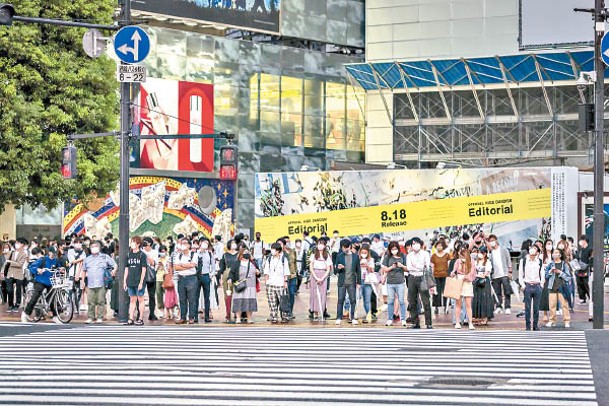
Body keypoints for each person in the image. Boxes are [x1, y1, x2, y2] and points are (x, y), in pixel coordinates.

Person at [21, 247, 61, 324]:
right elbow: (31, 267)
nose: (54, 255)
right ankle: (25, 314)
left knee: (52, 298)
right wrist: (37, 270)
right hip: (40, 281)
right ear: (49, 252)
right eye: (53, 253)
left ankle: (55, 316)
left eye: (55, 253)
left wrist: (61, 269)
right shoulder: (43, 260)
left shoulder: (56, 261)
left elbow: (58, 269)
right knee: (35, 296)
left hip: (50, 281)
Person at [83, 241, 116, 324]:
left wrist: (113, 272)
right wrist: (82, 281)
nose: (94, 248)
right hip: (90, 283)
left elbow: (114, 265)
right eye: (92, 246)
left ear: (99, 247)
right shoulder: (87, 259)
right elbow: (84, 270)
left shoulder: (105, 257)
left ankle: (100, 317)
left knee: (101, 300)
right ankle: (91, 317)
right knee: (90, 301)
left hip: (101, 282)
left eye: (96, 246)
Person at [228, 245, 259, 324]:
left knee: (250, 301)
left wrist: (258, 273)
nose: (247, 254)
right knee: (239, 300)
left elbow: (258, 273)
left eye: (248, 253)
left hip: (251, 285)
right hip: (240, 285)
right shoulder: (236, 263)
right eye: (245, 253)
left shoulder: (253, 263)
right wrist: (230, 279)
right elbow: (232, 272)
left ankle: (249, 318)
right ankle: (238, 318)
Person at [172, 238, 199, 325]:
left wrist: (182, 265)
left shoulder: (194, 255)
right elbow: (176, 267)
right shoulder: (178, 255)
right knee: (182, 299)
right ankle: (183, 317)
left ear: (189, 245)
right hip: (181, 278)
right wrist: (186, 266)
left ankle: (191, 317)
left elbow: (193, 265)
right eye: (181, 243)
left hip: (191, 278)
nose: (182, 245)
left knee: (192, 299)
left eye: (184, 243)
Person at [334, 239, 361, 325]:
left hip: (352, 282)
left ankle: (352, 317)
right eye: (342, 248)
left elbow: (358, 270)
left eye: (346, 247)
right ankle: (338, 318)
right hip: (342, 282)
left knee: (353, 300)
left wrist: (359, 282)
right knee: (340, 300)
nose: (344, 249)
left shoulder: (355, 257)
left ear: (350, 246)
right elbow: (335, 271)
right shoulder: (339, 256)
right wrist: (339, 268)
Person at [381, 241, 407, 327]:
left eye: (395, 249)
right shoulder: (387, 257)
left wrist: (401, 266)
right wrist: (392, 267)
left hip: (400, 282)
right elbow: (385, 269)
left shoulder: (403, 256)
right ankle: (390, 318)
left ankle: (403, 319)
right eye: (392, 249)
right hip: (390, 282)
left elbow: (407, 268)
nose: (394, 251)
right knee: (390, 301)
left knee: (401, 301)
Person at [519, 245, 544, 331]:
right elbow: (520, 274)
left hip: (537, 285)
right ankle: (528, 326)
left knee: (536, 308)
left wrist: (541, 285)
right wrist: (523, 285)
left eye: (534, 255)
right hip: (528, 285)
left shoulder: (539, 261)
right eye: (531, 254)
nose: (532, 256)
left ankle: (535, 325)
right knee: (527, 308)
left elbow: (542, 274)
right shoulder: (524, 261)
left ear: (537, 254)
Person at [545, 248, 572, 328]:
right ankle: (552, 321)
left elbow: (568, 277)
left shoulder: (564, 265)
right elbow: (546, 276)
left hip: (562, 287)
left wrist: (560, 272)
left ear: (560, 255)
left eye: (556, 252)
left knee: (564, 305)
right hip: (552, 286)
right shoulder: (550, 264)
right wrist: (550, 272)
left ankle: (566, 321)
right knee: (552, 305)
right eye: (554, 253)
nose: (554, 254)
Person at [263, 242, 290, 323]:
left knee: (282, 301)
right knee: (272, 301)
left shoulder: (283, 259)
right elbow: (266, 271)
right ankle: (274, 316)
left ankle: (284, 316)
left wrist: (285, 282)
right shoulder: (269, 259)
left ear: (278, 251)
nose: (272, 250)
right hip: (270, 284)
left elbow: (286, 272)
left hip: (280, 284)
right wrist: (266, 282)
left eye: (273, 249)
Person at [124, 236, 148, 326]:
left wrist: (141, 282)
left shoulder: (142, 255)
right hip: (130, 280)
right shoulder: (129, 254)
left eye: (134, 242)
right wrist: (124, 281)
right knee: (132, 300)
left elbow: (144, 269)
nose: (132, 244)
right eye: (131, 242)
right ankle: (131, 318)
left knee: (140, 299)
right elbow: (126, 268)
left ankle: (140, 318)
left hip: (138, 281)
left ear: (138, 244)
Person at [451, 245, 476, 330]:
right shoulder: (458, 261)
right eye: (460, 254)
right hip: (459, 282)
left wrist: (467, 277)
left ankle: (470, 322)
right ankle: (457, 322)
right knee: (458, 304)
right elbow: (454, 271)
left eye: (463, 254)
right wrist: (453, 273)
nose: (461, 256)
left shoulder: (471, 261)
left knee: (468, 304)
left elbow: (473, 273)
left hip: (467, 283)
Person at [487, 234, 512, 315]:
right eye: (490, 241)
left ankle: (507, 307)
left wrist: (509, 271)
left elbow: (508, 260)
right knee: (497, 292)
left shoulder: (503, 249)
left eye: (493, 240)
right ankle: (498, 306)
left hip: (504, 274)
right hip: (495, 275)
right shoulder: (491, 253)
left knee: (507, 291)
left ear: (496, 240)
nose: (492, 242)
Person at [309, 239, 332, 321]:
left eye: (322, 244)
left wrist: (322, 278)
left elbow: (328, 269)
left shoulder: (327, 256)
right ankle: (314, 312)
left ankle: (320, 312)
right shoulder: (313, 255)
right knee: (314, 294)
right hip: (314, 275)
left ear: (325, 246)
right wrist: (316, 277)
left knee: (322, 295)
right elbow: (311, 267)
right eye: (319, 244)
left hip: (323, 275)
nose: (320, 246)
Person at [5, 237, 28, 313]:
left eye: (18, 243)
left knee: (18, 290)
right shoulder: (11, 252)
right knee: (9, 290)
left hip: (18, 274)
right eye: (16, 243)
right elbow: (6, 263)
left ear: (22, 245)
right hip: (10, 273)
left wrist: (11, 262)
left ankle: (17, 305)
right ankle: (10, 305)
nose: (16, 244)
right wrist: (2, 272)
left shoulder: (24, 254)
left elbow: (20, 264)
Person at [472, 247, 493, 326]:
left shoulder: (488, 262)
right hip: (476, 281)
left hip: (484, 282)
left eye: (481, 253)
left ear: (485, 254)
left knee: (485, 299)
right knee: (477, 299)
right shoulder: (475, 262)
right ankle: (478, 318)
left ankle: (485, 318)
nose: (479, 254)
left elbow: (487, 272)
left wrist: (481, 275)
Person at [219, 239, 238, 323]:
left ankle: (237, 313)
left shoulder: (239, 254)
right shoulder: (225, 255)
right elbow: (222, 268)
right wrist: (221, 278)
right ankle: (228, 314)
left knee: (238, 294)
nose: (234, 245)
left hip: (237, 275)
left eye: (235, 243)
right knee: (228, 295)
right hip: (227, 274)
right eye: (232, 243)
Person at [196, 238, 215, 323]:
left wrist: (211, 275)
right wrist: (201, 251)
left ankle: (207, 316)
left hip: (206, 276)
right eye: (204, 243)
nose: (205, 245)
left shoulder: (210, 254)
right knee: (195, 297)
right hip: (197, 276)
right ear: (200, 243)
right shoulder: (195, 253)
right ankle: (194, 317)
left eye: (207, 243)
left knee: (207, 297)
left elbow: (213, 267)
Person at [359, 245, 378, 323]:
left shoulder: (371, 260)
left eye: (365, 252)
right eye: (362, 252)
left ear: (368, 253)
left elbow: (372, 270)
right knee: (357, 297)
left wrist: (367, 266)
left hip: (368, 281)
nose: (363, 254)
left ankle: (368, 314)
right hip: (359, 281)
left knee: (367, 299)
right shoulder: (356, 259)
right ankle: (353, 315)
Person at [430, 239, 450, 315]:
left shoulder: (447, 255)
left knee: (445, 291)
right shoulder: (433, 256)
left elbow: (448, 265)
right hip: (436, 276)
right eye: (437, 246)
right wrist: (431, 276)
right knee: (436, 292)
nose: (439, 247)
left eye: (440, 245)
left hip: (445, 275)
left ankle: (446, 306)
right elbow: (432, 266)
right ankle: (436, 307)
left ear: (443, 246)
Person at [142, 237, 159, 321]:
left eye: (146, 243)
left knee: (151, 295)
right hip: (141, 275)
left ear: (150, 244)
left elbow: (153, 263)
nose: (144, 244)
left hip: (151, 275)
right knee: (140, 295)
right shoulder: (140, 251)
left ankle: (152, 313)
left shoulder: (154, 252)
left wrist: (146, 255)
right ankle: (139, 313)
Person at [282, 239, 298, 319]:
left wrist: (296, 272)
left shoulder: (293, 251)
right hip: (284, 277)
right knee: (285, 295)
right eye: (286, 242)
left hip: (292, 276)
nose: (288, 243)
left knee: (292, 294)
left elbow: (295, 263)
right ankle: (285, 311)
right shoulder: (281, 253)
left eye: (289, 242)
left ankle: (290, 311)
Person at [575, 235, 592, 305]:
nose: (580, 242)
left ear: (584, 241)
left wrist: (590, 267)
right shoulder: (580, 250)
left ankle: (590, 297)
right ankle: (582, 298)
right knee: (579, 283)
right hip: (579, 269)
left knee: (586, 284)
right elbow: (577, 258)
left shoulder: (590, 249)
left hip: (586, 269)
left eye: (581, 240)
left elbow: (591, 259)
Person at [155, 246, 169, 319]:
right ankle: (161, 310)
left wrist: (164, 267)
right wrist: (157, 266)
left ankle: (168, 311)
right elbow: (154, 270)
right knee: (159, 295)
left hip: (166, 278)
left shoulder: (168, 259)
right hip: (158, 278)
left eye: (164, 251)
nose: (163, 253)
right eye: (161, 251)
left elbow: (169, 270)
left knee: (167, 295)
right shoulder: (158, 259)